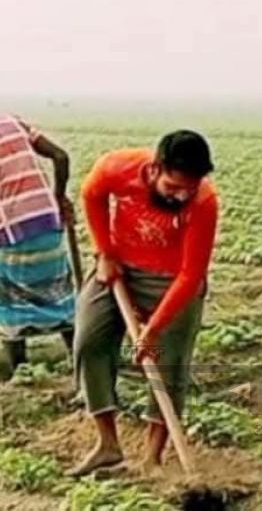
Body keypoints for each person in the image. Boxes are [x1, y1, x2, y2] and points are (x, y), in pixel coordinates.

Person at [71, 130, 218, 476]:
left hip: (172, 281)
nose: (181, 195)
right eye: (173, 187)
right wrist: (104, 253)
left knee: (169, 363)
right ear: (154, 170)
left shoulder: (203, 203)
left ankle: (153, 458)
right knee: (89, 340)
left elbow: (191, 275)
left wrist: (152, 330)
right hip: (118, 269)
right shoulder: (116, 167)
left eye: (189, 188)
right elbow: (91, 195)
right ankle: (107, 444)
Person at [0, 114, 76, 379]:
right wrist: (58, 197)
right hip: (48, 222)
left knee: (10, 300)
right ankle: (80, 363)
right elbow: (61, 157)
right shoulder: (11, 120)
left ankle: (19, 375)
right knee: (62, 296)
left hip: (13, 230)